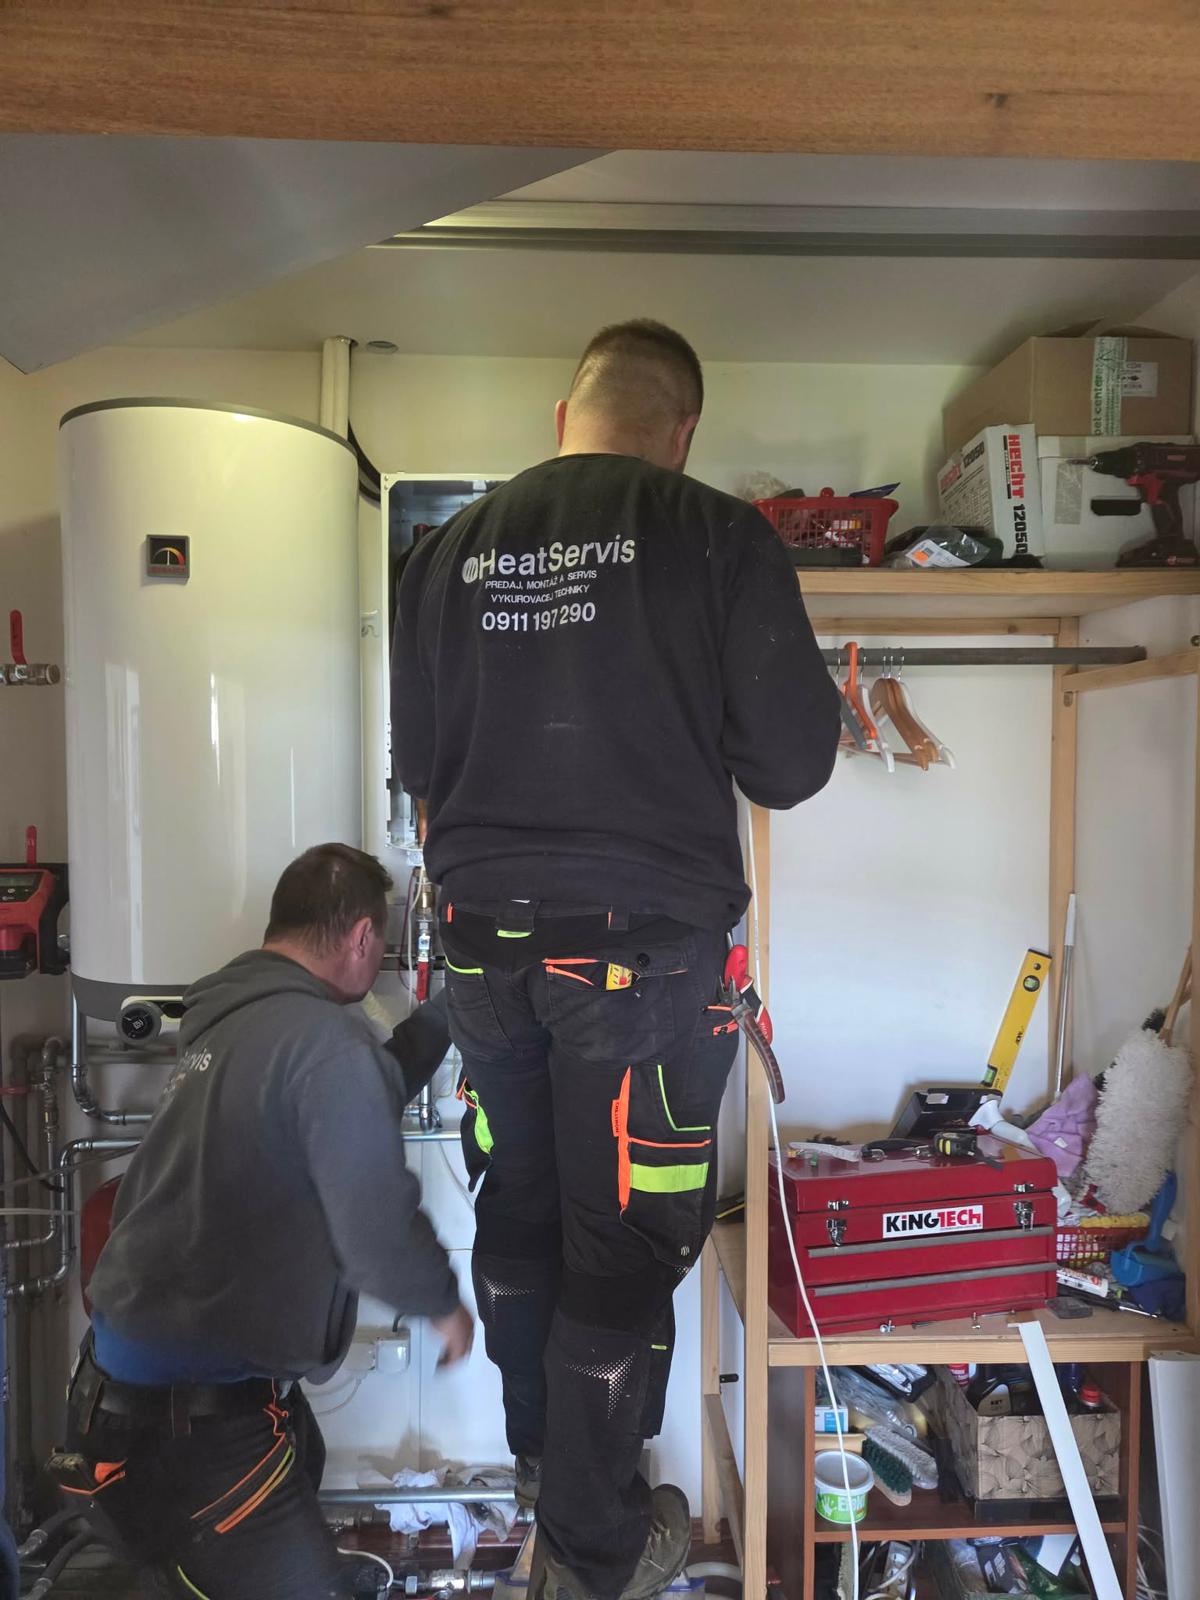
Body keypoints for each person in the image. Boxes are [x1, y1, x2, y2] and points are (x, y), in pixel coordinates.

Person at [391, 320, 840, 1600]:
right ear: (682, 432)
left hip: (482, 951)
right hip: (638, 962)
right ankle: (591, 1555)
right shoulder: (715, 535)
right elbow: (790, 767)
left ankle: (554, 1479)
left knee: (519, 1208)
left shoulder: (444, 553)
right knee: (628, 1235)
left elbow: (420, 766)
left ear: (563, 417)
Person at [63, 843, 473, 1600]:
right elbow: (376, 1232)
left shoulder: (231, 1022)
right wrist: (445, 1307)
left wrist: (449, 1014)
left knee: (292, 1463)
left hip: (116, 1397)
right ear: (361, 936)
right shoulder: (325, 1045)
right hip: (191, 1429)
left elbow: (363, 1086)